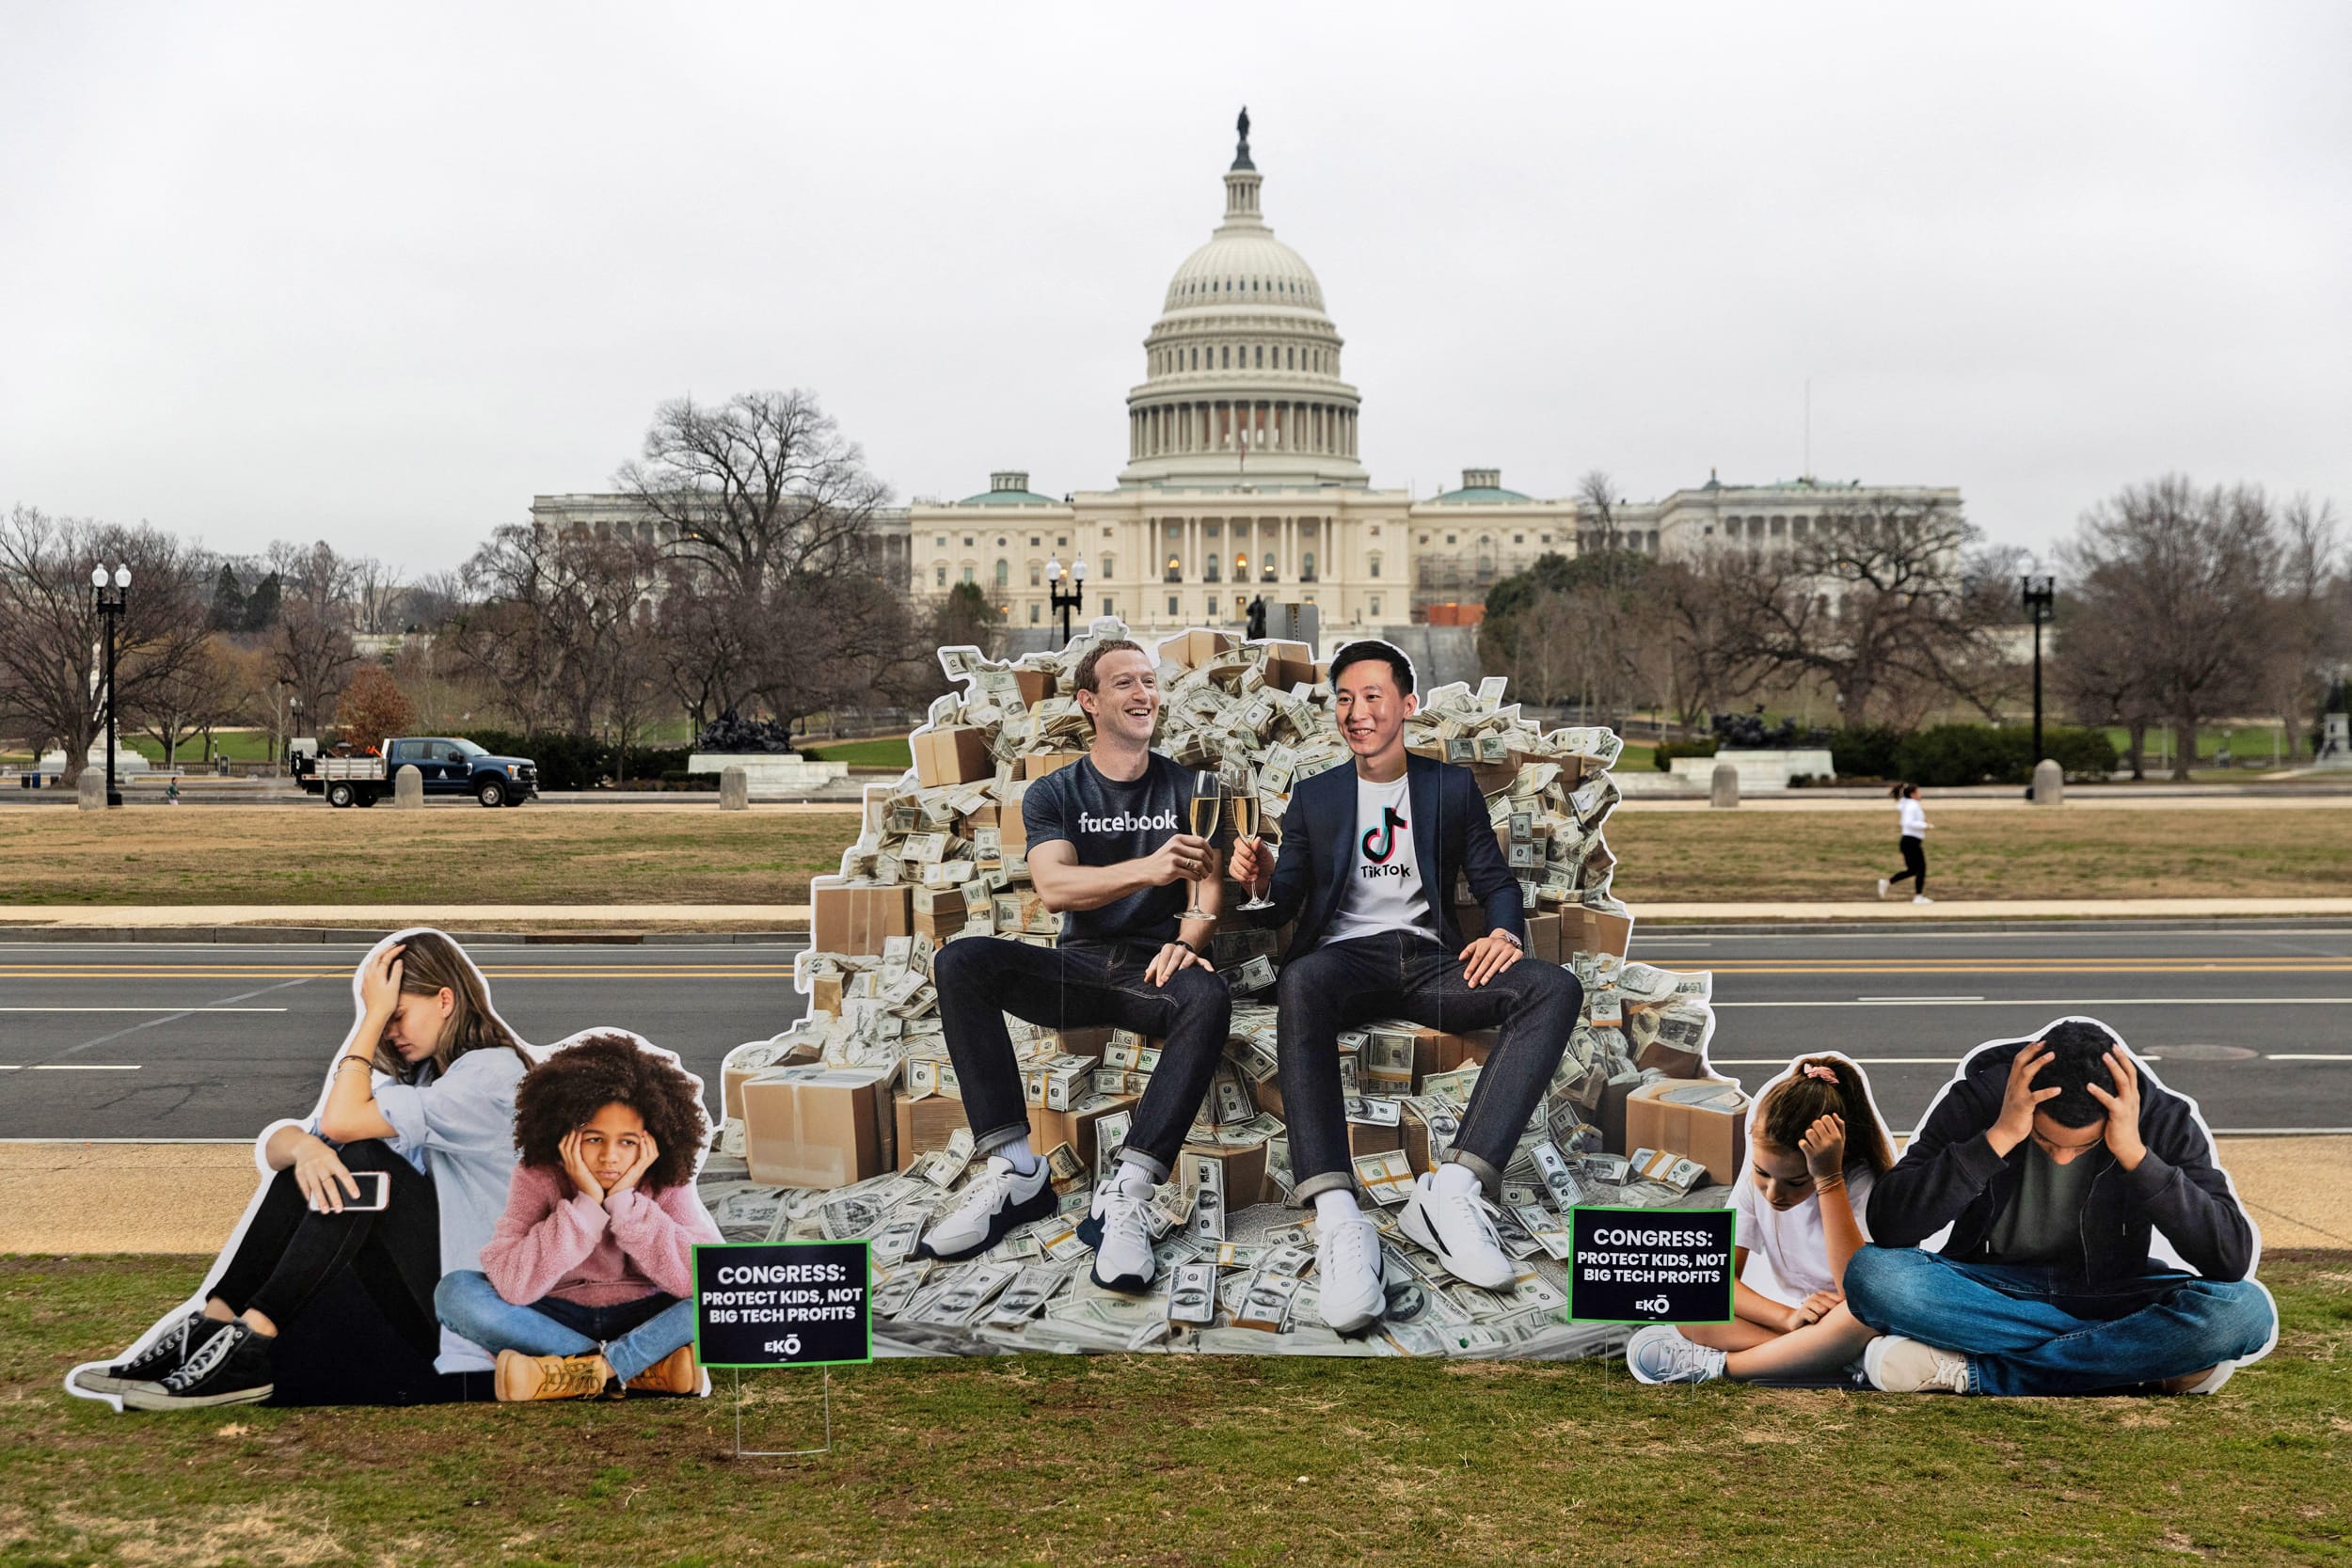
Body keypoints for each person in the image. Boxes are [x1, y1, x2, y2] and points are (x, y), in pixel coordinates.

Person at [1229, 639, 1581, 1333]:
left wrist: (1504, 933)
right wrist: (1263, 877)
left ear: (1407, 706)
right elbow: (1286, 900)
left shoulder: (1449, 789)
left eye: (1372, 697)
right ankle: (1339, 1217)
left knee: (1556, 989)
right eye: (1344, 699)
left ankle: (1451, 1191)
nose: (1356, 712)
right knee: (1300, 980)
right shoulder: (1316, 795)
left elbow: (1496, 883)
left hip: (1430, 961)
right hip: (1343, 960)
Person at [74, 931, 532, 1410]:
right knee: (315, 1160)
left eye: (397, 1016)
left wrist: (370, 1016)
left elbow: (341, 1124)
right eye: (385, 1019)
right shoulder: (423, 1080)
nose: (390, 1033)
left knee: (361, 1162)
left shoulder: (491, 1076)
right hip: (429, 1292)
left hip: (476, 1308)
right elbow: (280, 1147)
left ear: (445, 1000)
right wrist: (307, 1150)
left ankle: (250, 1347)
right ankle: (212, 1326)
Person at [923, 637, 1232, 1293]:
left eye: (1149, 680)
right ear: (1090, 701)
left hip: (1154, 970)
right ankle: (1015, 1172)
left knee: (1210, 995)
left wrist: (1192, 940)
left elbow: (1207, 889)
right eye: (1125, 682)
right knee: (959, 961)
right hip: (1079, 968)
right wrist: (1149, 867)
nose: (1144, 692)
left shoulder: (1190, 787)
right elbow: (1056, 886)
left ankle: (1127, 1190)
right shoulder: (1054, 792)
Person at [1845, 1017, 2277, 1396]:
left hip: (2108, 1293)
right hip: (1989, 1289)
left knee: (2244, 1312)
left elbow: (2230, 1259)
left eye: (2085, 1146)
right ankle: (2129, 1364)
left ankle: (1979, 1372)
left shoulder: (2160, 1116)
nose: (2062, 1157)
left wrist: (2136, 1156)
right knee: (1873, 1276)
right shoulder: (1982, 1099)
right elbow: (1891, 1226)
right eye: (2044, 1140)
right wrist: (1998, 1137)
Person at [437, 1033, 719, 1402]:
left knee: (718, 1294)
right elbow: (513, 1285)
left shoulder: (665, 1177)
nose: (610, 1158)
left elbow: (701, 1278)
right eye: (594, 1139)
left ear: (651, 1141)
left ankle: (588, 1372)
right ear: (565, 1133)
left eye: (627, 1142)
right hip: (555, 1317)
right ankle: (640, 1370)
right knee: (456, 1293)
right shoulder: (538, 1173)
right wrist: (586, 1205)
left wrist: (625, 1204)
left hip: (645, 1314)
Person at [1624, 1055, 1892, 1384]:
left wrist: (1829, 1180)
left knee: (1859, 1317)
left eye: (1796, 1181)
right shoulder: (1755, 1184)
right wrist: (1788, 1318)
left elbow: (1859, 1291)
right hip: (1802, 1323)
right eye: (1763, 1173)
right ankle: (1817, 1361)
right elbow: (1717, 1280)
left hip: (1846, 1319)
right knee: (1688, 1300)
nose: (1774, 1193)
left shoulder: (1857, 1181)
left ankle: (1722, 1368)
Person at [1878, 783, 1932, 904]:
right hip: (1911, 841)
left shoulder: (1907, 803)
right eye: (1918, 792)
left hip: (1909, 841)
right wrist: (1925, 825)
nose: (1921, 794)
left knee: (1913, 870)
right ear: (1913, 794)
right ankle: (1918, 896)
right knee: (1921, 869)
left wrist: (1904, 787)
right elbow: (1908, 822)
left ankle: (1887, 882)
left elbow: (1901, 801)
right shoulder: (1912, 806)